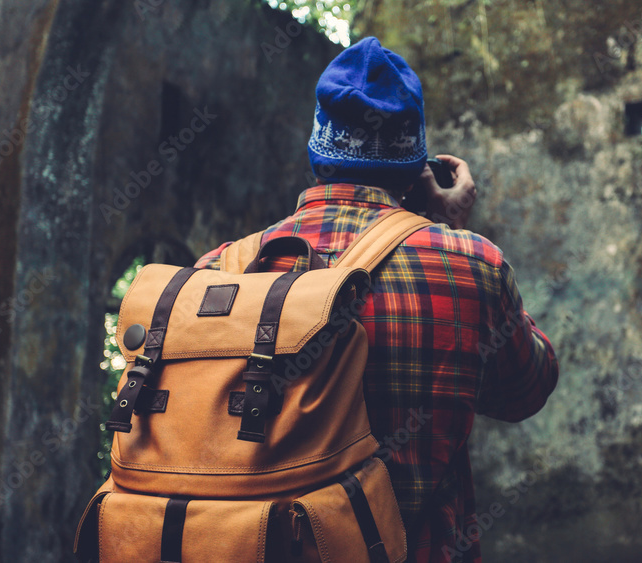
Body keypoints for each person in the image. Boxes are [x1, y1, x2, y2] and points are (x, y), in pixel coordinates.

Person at [195, 36, 559, 563]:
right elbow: (526, 390)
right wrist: (449, 228)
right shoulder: (472, 266)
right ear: (417, 167)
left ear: (317, 152)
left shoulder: (217, 270)